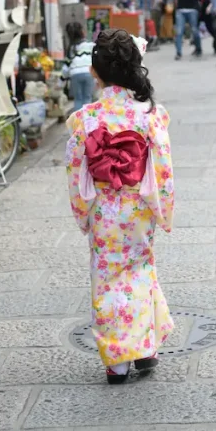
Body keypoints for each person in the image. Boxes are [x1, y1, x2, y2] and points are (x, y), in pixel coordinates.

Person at [65, 29, 174, 384]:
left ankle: (117, 361)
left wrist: (82, 214)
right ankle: (144, 348)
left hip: (104, 210)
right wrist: (164, 208)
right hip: (138, 207)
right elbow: (163, 168)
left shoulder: (86, 119)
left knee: (107, 277)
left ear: (95, 72)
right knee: (140, 269)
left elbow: (74, 172)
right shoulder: (148, 114)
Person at [62, 21, 95, 111]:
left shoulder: (71, 48)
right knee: (87, 98)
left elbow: (66, 67)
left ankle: (78, 122)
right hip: (88, 72)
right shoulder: (90, 45)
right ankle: (88, 121)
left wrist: (62, 80)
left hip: (75, 73)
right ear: (82, 32)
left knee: (78, 99)